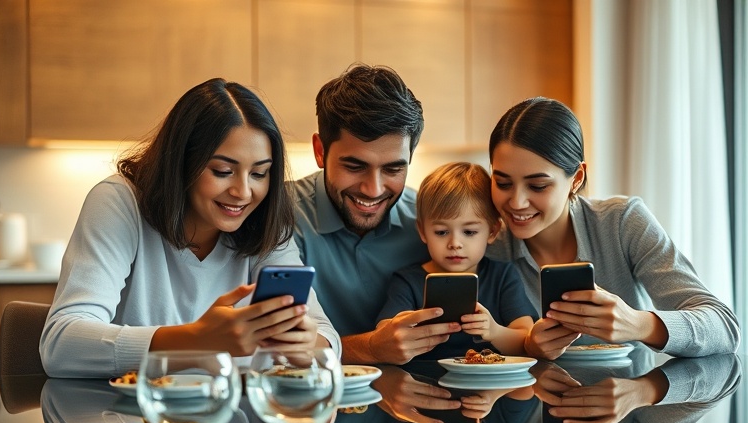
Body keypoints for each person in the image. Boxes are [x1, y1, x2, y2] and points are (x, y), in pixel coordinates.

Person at [41, 78, 339, 378]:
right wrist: (195, 341)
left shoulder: (264, 220)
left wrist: (306, 344)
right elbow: (61, 345)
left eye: (259, 173)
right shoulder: (120, 202)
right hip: (129, 418)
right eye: (223, 171)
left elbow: (326, 336)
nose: (244, 192)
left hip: (232, 418)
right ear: (182, 161)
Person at [486, 97, 741, 359]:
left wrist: (637, 324)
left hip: (633, 392)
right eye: (503, 183)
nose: (516, 202)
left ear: (576, 179)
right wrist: (528, 348)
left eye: (538, 186)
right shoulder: (482, 243)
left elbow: (723, 327)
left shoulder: (622, 222)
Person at [292, 63, 462, 365]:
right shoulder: (281, 217)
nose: (373, 189)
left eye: (394, 169)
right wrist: (369, 348)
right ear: (320, 151)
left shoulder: (432, 223)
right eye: (354, 166)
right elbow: (274, 351)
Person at [375, 162, 536, 360]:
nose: (455, 243)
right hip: (424, 383)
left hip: (490, 384)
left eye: (469, 232)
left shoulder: (502, 276)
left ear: (493, 231)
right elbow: (384, 334)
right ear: (423, 231)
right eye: (441, 232)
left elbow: (527, 340)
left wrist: (495, 332)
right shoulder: (408, 281)